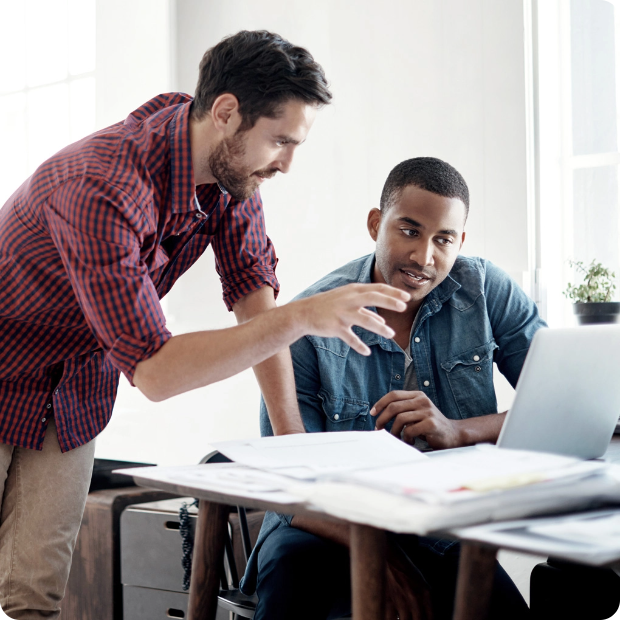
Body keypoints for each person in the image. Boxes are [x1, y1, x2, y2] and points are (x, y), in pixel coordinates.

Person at [0, 31, 409, 619]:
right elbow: (157, 372)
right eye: (280, 141)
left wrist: (291, 446)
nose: (287, 164)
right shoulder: (99, 188)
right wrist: (300, 318)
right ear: (225, 113)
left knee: (30, 600)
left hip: (73, 394)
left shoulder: (232, 171)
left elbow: (252, 296)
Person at [241, 157, 547, 620]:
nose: (425, 257)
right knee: (298, 581)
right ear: (375, 224)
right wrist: (384, 560)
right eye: (409, 231)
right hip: (322, 528)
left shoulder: (484, 290)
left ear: (459, 242)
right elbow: (290, 487)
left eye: (443, 239)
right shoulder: (307, 321)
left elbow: (554, 407)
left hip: (435, 526)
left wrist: (459, 431)